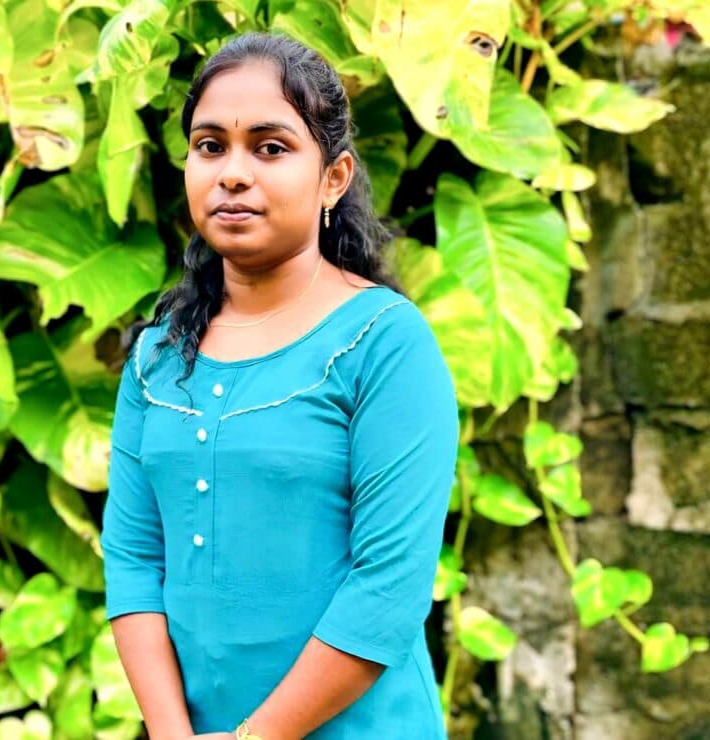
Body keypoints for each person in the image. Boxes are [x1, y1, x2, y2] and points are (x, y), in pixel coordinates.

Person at [101, 32, 459, 740]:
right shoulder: (158, 358)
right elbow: (135, 561)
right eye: (210, 146)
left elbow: (387, 589)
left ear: (333, 178)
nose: (233, 173)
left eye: (270, 148)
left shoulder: (385, 344)